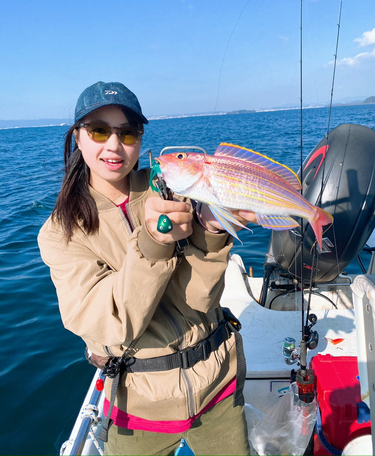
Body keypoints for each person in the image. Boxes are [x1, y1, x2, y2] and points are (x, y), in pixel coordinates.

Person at [38, 81, 256, 456]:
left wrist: (213, 229)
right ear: (77, 137)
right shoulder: (62, 231)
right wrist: (153, 245)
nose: (114, 145)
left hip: (217, 385)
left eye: (128, 133)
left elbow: (200, 299)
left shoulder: (172, 190)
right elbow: (109, 323)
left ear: (140, 138)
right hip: (138, 408)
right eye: (99, 130)